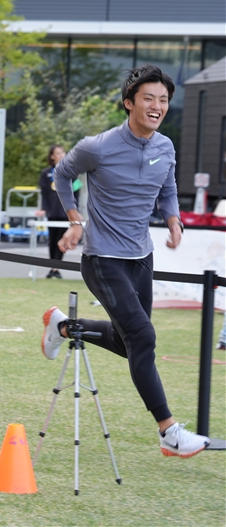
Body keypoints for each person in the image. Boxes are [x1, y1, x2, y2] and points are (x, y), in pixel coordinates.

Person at [41, 64, 210, 458]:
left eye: (164, 100)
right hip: (103, 258)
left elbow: (167, 188)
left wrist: (174, 220)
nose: (157, 106)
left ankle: (63, 326)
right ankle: (169, 432)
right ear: (129, 103)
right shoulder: (97, 147)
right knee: (144, 338)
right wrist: (75, 221)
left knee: (126, 342)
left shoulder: (165, 147)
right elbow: (61, 177)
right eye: (148, 98)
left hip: (141, 257)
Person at [35, 145, 67, 279]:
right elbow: (44, 193)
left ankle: (57, 267)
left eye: (62, 153)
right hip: (52, 211)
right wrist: (44, 209)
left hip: (66, 211)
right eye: (57, 153)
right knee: (52, 240)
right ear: (52, 156)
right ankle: (52, 267)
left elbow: (75, 192)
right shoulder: (46, 173)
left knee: (62, 240)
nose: (60, 155)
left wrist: (75, 210)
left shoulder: (71, 172)